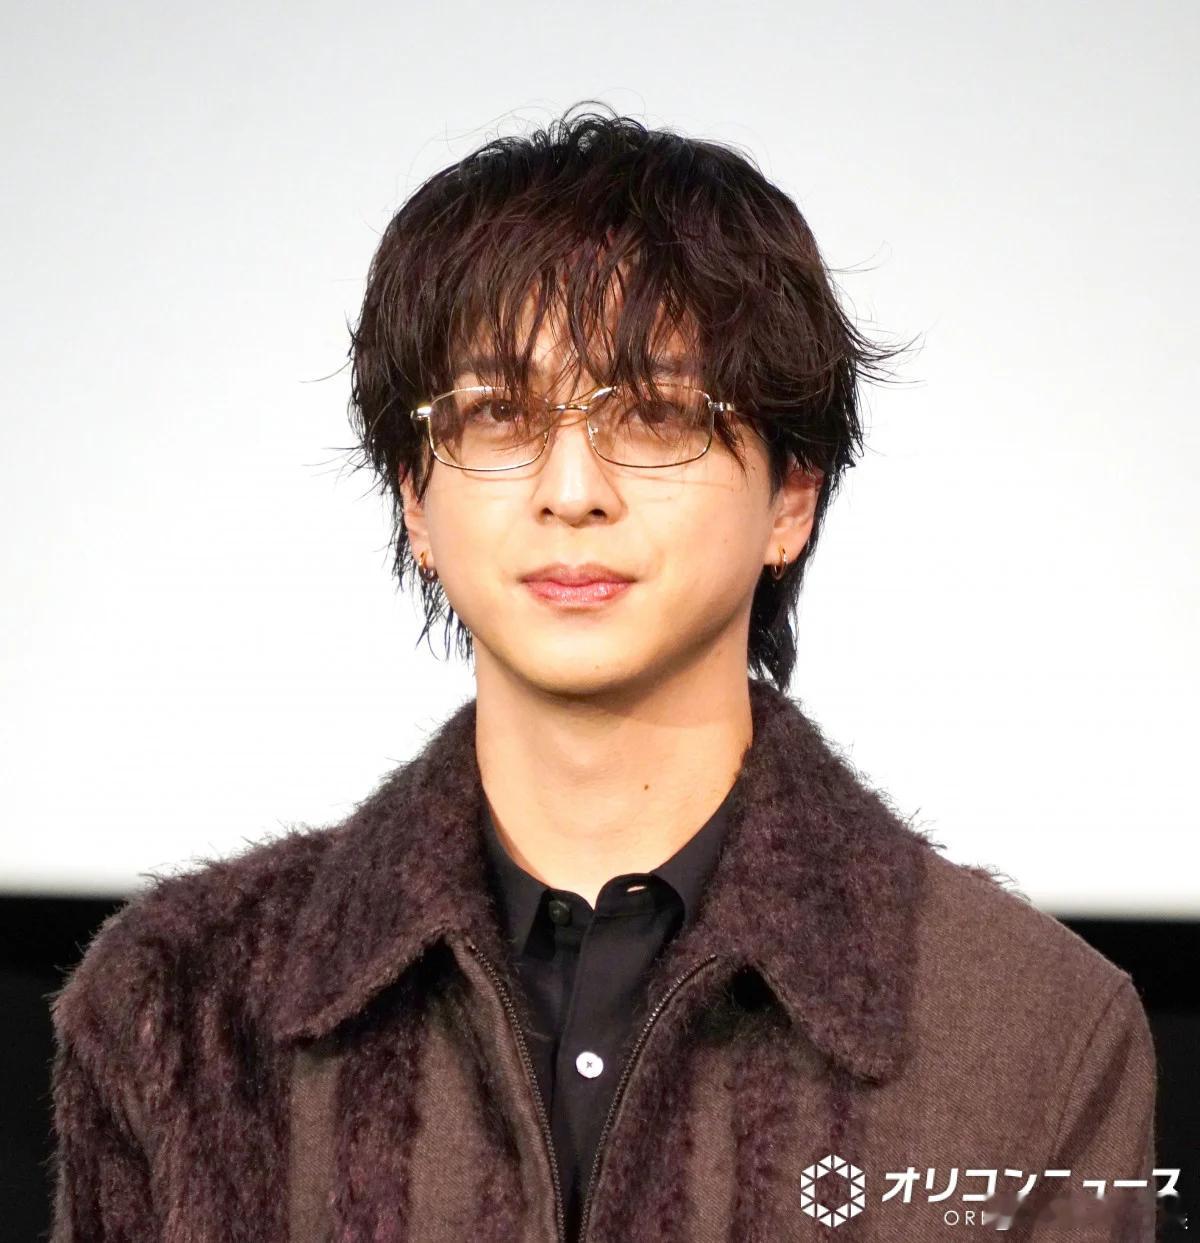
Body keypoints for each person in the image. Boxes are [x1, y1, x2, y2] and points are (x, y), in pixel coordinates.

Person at [49, 104, 1158, 1242]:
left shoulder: (1031, 1029)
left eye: (657, 415)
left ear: (792, 495)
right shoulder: (179, 1004)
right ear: (415, 499)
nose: (572, 490)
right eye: (496, 415)